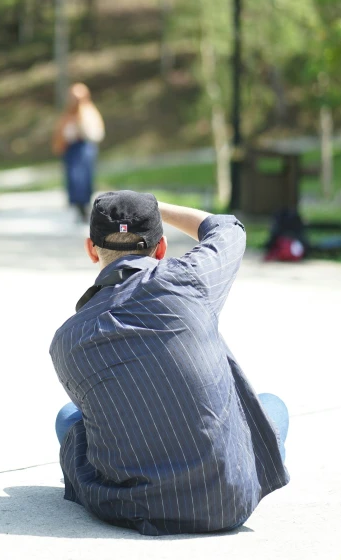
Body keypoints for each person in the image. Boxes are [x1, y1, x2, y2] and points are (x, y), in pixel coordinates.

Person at [50, 191, 290, 536]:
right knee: (273, 406)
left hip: (127, 506)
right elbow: (226, 228)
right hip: (227, 503)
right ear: (161, 248)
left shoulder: (66, 340)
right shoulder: (189, 280)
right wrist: (155, 209)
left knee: (67, 419)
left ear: (91, 249)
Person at [52, 83, 105, 222]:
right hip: (71, 150)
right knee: (73, 178)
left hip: (85, 148)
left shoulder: (89, 112)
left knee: (85, 178)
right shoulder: (67, 114)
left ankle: (85, 206)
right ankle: (77, 206)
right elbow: (60, 133)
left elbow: (96, 133)